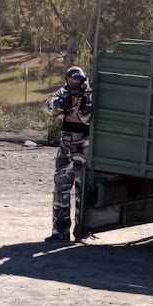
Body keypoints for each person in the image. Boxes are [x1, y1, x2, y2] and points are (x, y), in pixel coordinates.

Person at [44, 65, 94, 242]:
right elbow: (49, 109)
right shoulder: (63, 92)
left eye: (78, 81)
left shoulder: (89, 94)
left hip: (84, 150)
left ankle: (81, 232)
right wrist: (61, 103)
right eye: (72, 81)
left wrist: (80, 105)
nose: (75, 85)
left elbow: (89, 119)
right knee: (60, 191)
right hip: (66, 149)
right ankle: (59, 232)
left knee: (83, 193)